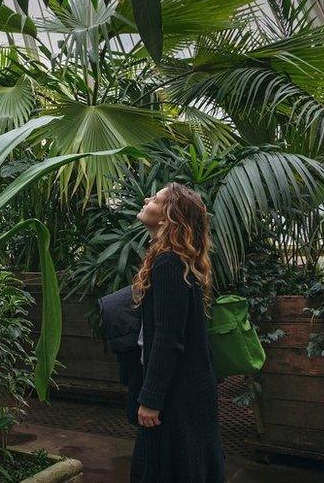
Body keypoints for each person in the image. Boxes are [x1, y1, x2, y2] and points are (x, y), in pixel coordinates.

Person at [127, 183, 225, 482]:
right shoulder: (175, 260)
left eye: (154, 199)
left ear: (169, 216)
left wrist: (151, 398)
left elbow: (168, 340)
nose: (147, 200)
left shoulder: (169, 262)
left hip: (176, 391)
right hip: (189, 385)